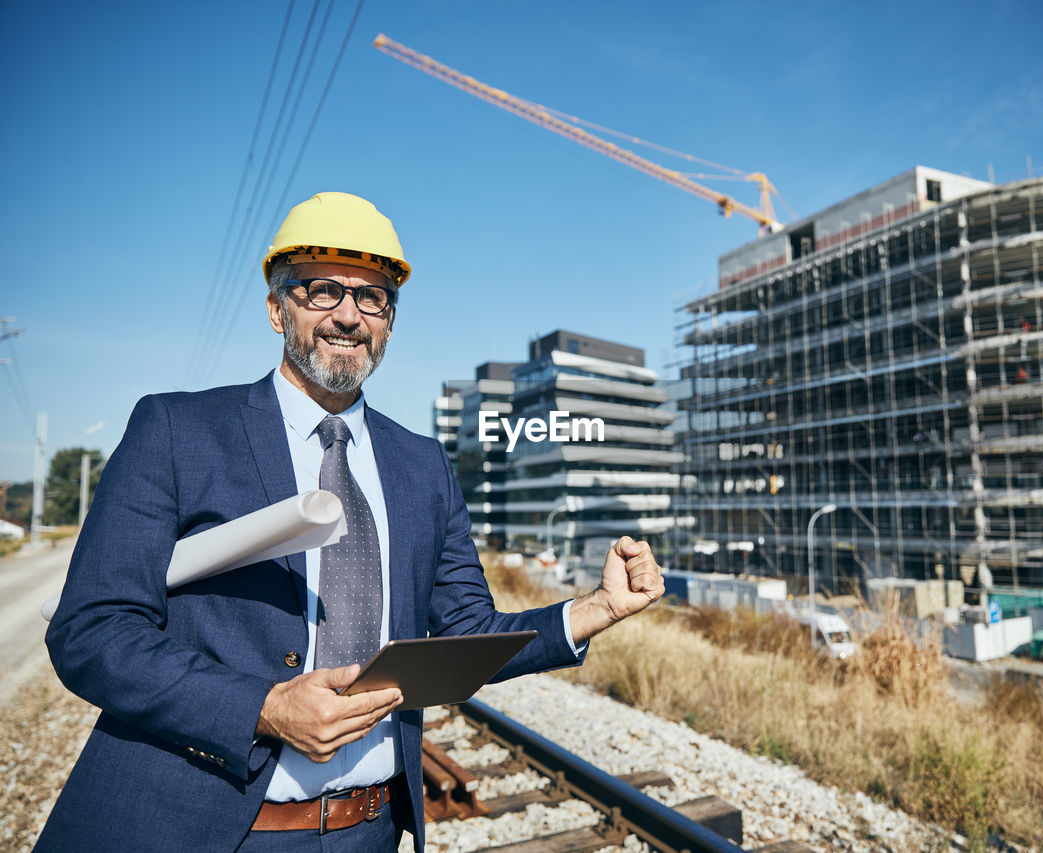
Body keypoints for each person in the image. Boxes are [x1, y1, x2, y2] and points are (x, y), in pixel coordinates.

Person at [37, 192, 663, 852]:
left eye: (373, 298)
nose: (348, 315)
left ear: (390, 322)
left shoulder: (424, 464)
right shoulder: (177, 431)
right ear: (277, 307)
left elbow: (468, 632)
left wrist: (596, 608)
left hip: (369, 831)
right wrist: (265, 707)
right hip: (212, 828)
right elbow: (91, 630)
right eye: (322, 289)